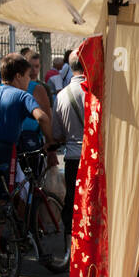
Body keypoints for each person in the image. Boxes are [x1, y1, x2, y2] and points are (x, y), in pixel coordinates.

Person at [0, 53, 54, 206]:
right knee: (3, 198)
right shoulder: (22, 96)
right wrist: (50, 141)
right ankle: (0, 228)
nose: (29, 80)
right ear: (18, 76)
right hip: (3, 150)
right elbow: (43, 118)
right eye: (27, 76)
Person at [51, 51, 85, 233]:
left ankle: (70, 243)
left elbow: (56, 133)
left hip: (72, 156)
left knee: (73, 200)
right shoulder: (96, 92)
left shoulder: (61, 96)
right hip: (93, 157)